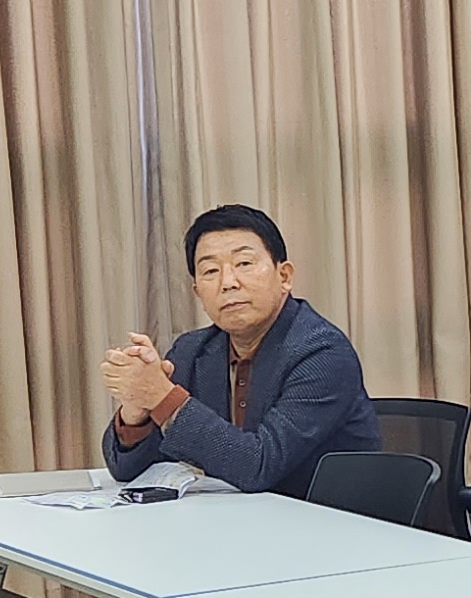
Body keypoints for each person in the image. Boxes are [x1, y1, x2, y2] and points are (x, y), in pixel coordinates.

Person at [100, 205, 379, 492]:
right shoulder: (192, 350)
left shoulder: (323, 352)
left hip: (324, 515)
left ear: (284, 276)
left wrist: (162, 396)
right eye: (210, 270)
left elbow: (258, 466)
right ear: (197, 292)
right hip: (237, 514)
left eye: (244, 263)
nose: (228, 283)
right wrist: (137, 409)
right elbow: (127, 470)